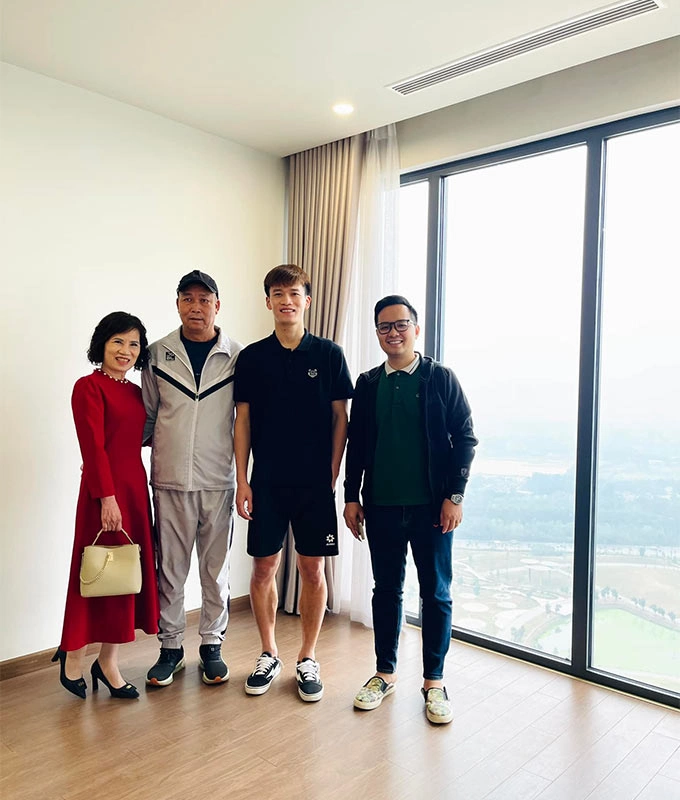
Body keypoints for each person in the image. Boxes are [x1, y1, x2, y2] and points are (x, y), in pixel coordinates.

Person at [343, 295, 477, 724]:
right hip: (381, 506)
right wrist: (351, 496)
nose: (393, 333)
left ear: (416, 329)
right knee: (386, 591)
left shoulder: (440, 378)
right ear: (377, 333)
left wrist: (454, 496)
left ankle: (434, 682)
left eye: (401, 324)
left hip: (432, 509)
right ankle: (384, 673)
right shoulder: (368, 383)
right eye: (384, 326)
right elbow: (356, 445)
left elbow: (466, 438)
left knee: (435, 593)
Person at [234, 264, 353, 702]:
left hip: (314, 483)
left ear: (307, 300)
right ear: (268, 301)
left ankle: (307, 657)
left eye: (294, 293)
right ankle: (269, 652)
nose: (287, 300)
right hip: (266, 481)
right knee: (263, 567)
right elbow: (242, 420)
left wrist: (333, 471)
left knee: (312, 568)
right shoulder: (252, 357)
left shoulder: (329, 354)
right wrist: (242, 479)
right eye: (279, 293)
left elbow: (341, 417)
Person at [143, 270, 241, 686]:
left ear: (217, 305)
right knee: (170, 571)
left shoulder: (237, 356)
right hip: (169, 480)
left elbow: (245, 421)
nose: (196, 307)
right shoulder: (156, 353)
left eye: (204, 300)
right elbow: (148, 416)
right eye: (188, 299)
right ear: (178, 304)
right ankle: (170, 649)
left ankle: (212, 646)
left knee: (215, 573)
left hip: (219, 480)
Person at [54, 312, 159, 700]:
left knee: (125, 576)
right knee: (95, 573)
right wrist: (107, 498)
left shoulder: (136, 392)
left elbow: (144, 436)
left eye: (134, 344)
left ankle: (108, 662)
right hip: (105, 494)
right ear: (102, 344)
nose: (125, 350)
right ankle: (73, 657)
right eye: (118, 341)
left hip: (135, 491)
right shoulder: (88, 387)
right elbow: (93, 447)